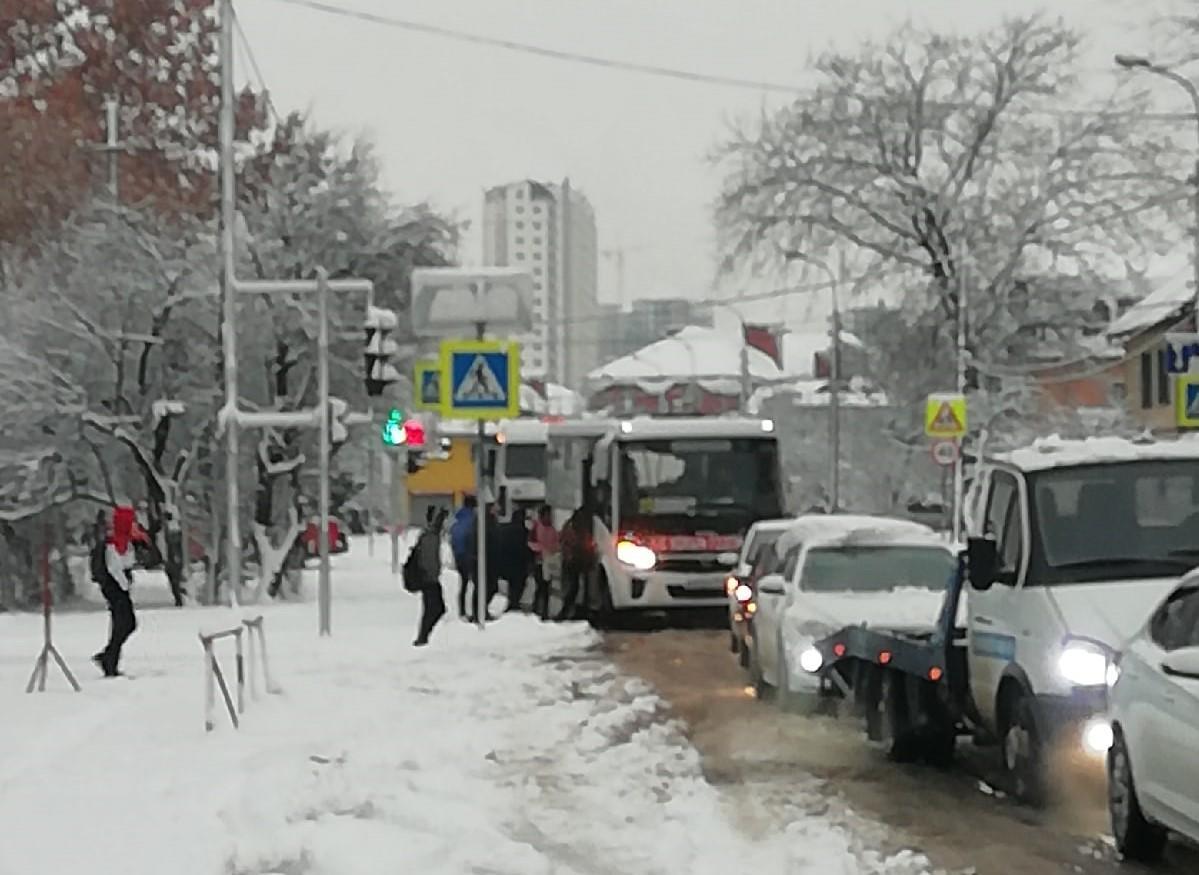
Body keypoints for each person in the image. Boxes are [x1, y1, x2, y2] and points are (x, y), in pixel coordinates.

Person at [91, 506, 142, 677]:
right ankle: (108, 657)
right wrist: (125, 584)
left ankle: (109, 659)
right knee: (127, 623)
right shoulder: (114, 543)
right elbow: (114, 567)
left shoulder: (124, 541)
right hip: (115, 588)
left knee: (122, 623)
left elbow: (128, 561)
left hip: (118, 587)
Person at [412, 507, 449, 646]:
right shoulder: (430, 536)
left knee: (433, 608)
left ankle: (423, 636)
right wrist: (431, 574)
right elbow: (428, 559)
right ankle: (423, 637)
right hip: (429, 578)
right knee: (435, 608)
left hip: (429, 577)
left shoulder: (429, 535)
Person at [556, 502, 597, 622]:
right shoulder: (577, 528)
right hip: (575, 561)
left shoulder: (570, 525)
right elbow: (574, 543)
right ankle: (570, 611)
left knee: (574, 587)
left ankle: (571, 610)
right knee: (574, 587)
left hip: (573, 561)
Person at [463, 503, 500, 622]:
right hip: (480, 559)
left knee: (489, 587)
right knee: (482, 586)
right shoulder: (483, 523)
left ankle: (480, 610)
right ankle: (478, 612)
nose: (497, 509)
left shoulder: (486, 522)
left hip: (487, 559)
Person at [497, 507, 534, 612]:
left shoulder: (504, 530)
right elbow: (526, 548)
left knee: (512, 585)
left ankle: (512, 604)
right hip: (519, 564)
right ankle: (514, 605)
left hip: (505, 563)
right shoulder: (524, 532)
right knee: (518, 586)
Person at [529, 504, 559, 620]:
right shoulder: (536, 527)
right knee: (541, 586)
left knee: (546, 588)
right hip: (539, 562)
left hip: (549, 563)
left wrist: (554, 551)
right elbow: (530, 543)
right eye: (547, 515)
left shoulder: (552, 529)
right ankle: (536, 609)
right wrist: (540, 550)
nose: (549, 517)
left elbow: (556, 543)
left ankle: (544, 611)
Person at [449, 495, 477, 620]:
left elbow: (453, 541)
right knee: (476, 584)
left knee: (464, 584)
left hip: (459, 557)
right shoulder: (473, 521)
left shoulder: (457, 521)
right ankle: (475, 610)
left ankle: (462, 611)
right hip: (469, 555)